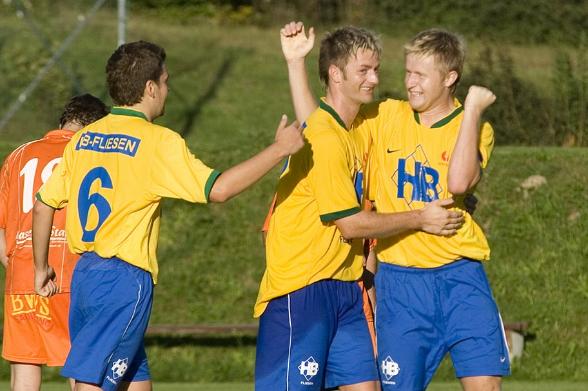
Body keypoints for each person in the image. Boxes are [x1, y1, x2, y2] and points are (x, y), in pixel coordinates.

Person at [32, 40, 305, 391]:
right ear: (149, 88)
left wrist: (41, 268)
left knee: (133, 379)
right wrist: (279, 149)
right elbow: (218, 189)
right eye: (165, 81)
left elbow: (43, 204)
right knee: (91, 382)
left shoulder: (84, 139)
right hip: (123, 280)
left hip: (84, 274)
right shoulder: (157, 142)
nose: (168, 89)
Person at [281, 22, 510, 391]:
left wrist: (471, 111)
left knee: (485, 384)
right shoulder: (387, 116)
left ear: (451, 77)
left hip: (461, 276)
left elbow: (459, 183)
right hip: (401, 283)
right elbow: (320, 130)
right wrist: (295, 64)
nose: (411, 83)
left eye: (421, 75)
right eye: (407, 74)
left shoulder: (475, 127)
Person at [0, 94, 108, 391]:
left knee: (24, 364)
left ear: (63, 121)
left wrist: (11, 260)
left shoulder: (18, 154)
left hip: (23, 274)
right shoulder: (87, 155)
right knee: (80, 364)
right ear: (94, 129)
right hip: (72, 272)